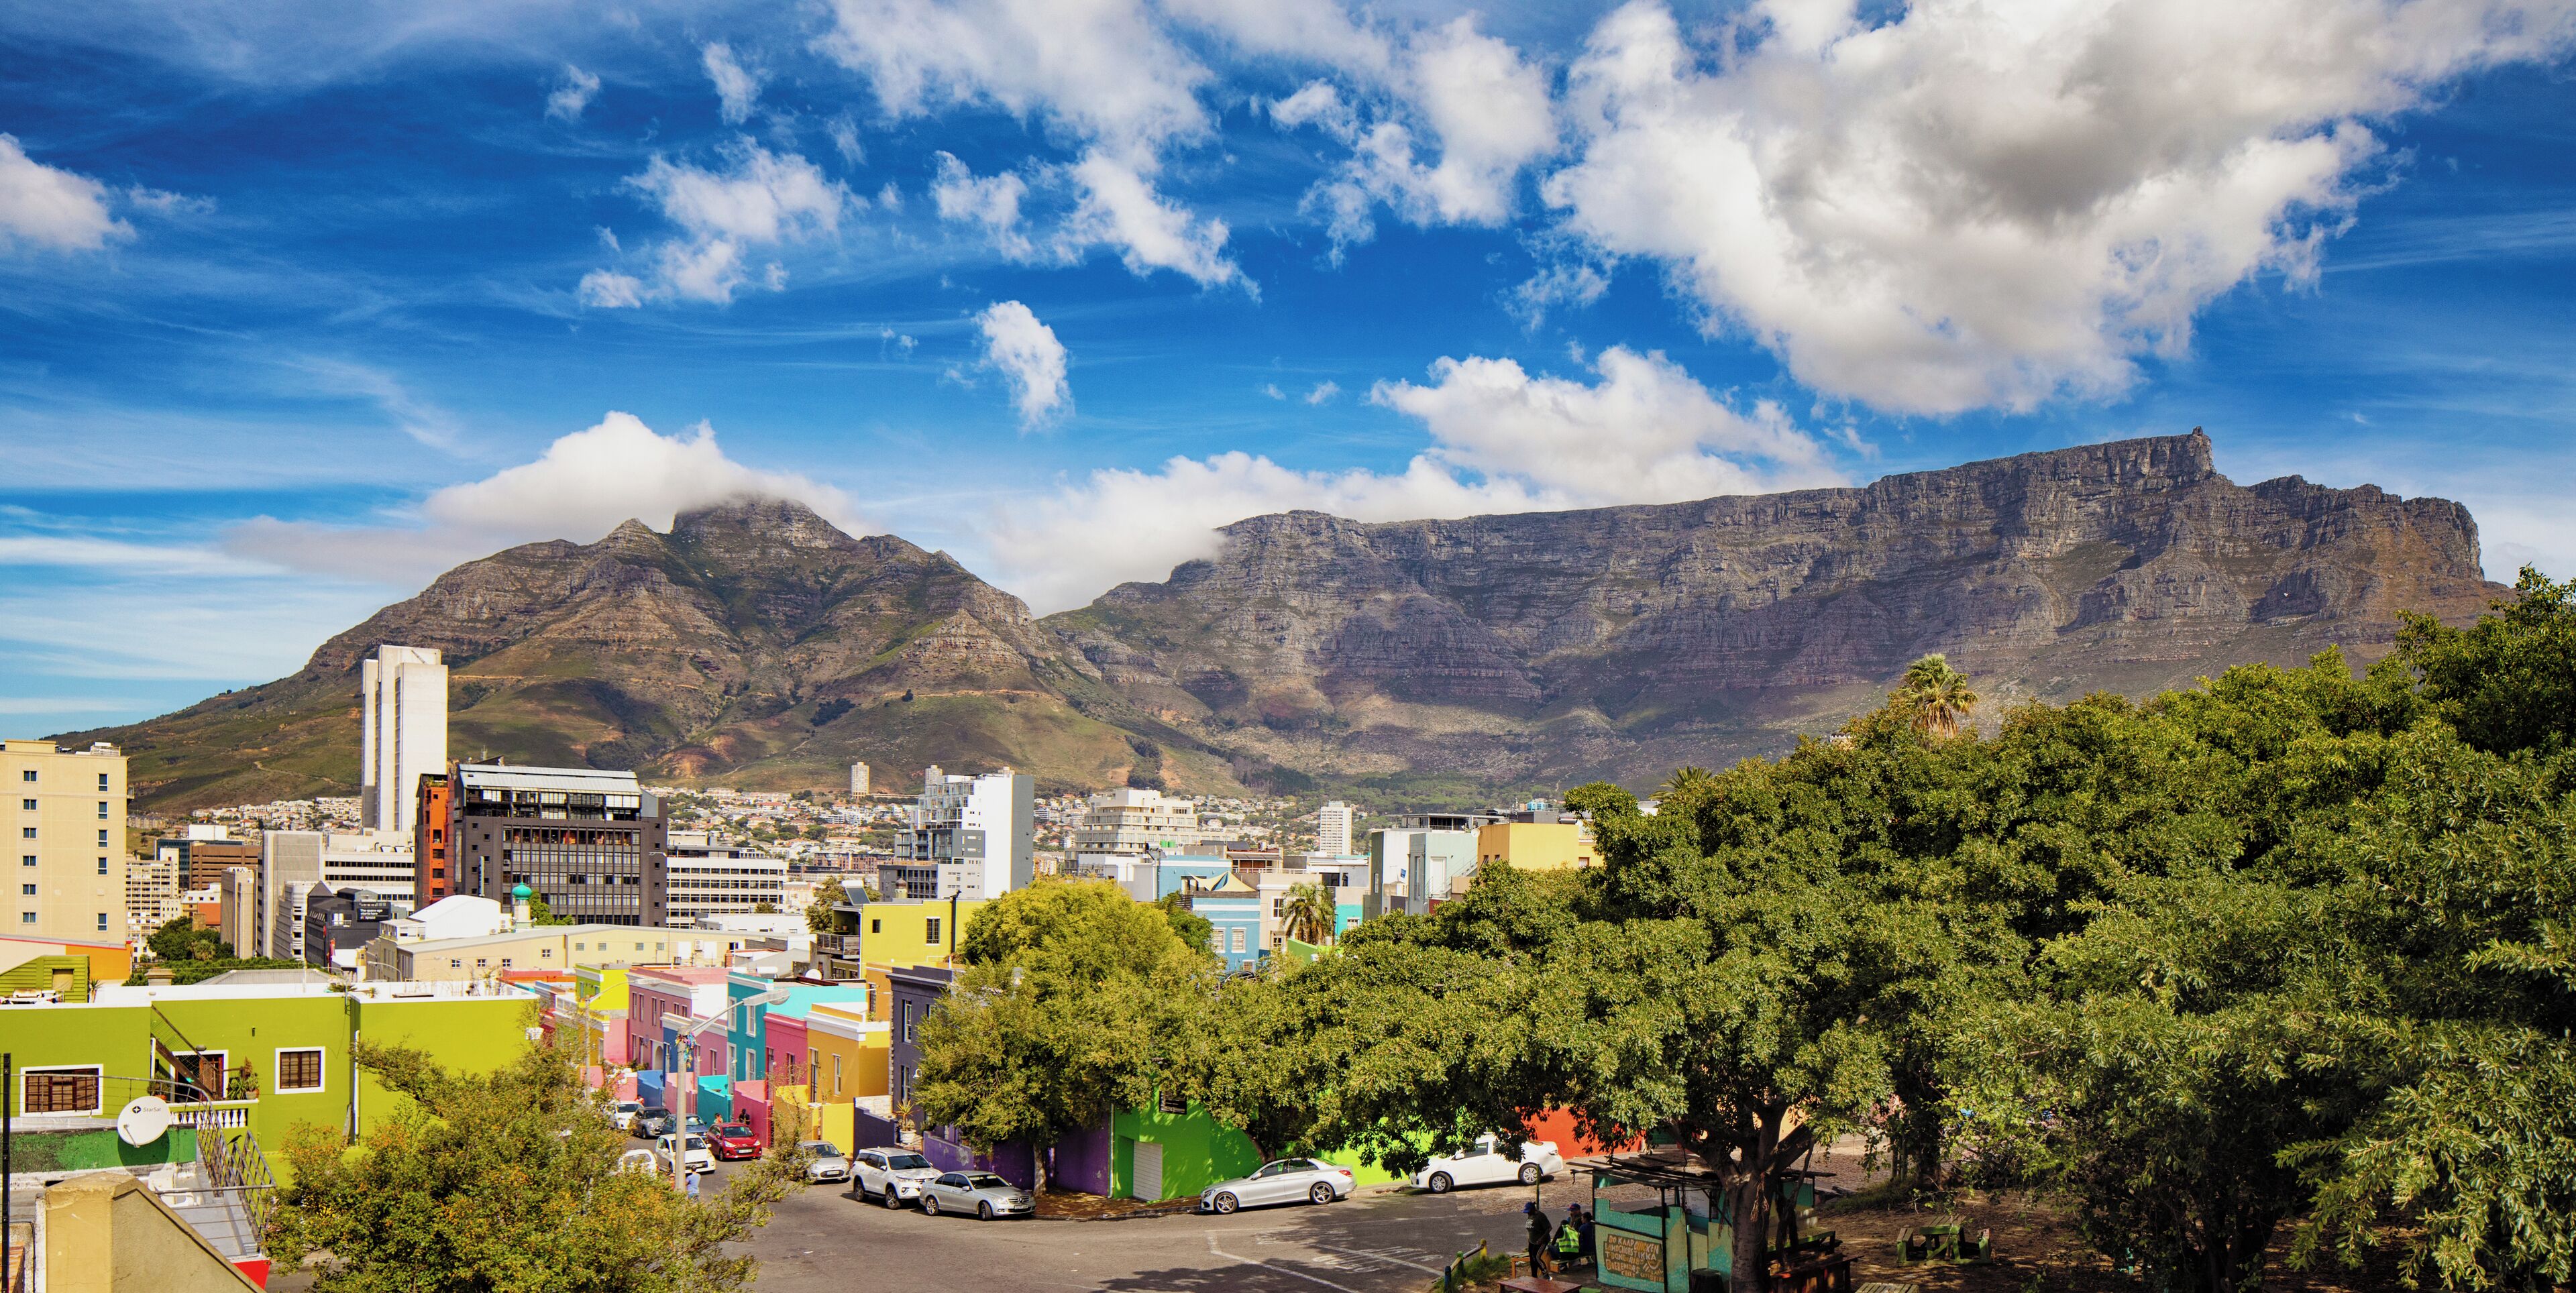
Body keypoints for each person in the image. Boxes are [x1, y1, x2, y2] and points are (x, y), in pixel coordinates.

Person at [1525, 1200, 1556, 1278]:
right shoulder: (1530, 1215)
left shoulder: (1541, 1216)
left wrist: (1541, 1239)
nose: (1527, 1213)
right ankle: (1534, 1276)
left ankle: (1545, 1273)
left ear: (1533, 1209)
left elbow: (1549, 1228)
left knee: (1537, 1257)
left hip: (1541, 1241)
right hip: (1532, 1241)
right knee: (1532, 1258)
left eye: (1529, 1211)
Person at [1554, 1205, 1584, 1269]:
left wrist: (1572, 1220)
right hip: (1574, 1248)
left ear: (1578, 1210)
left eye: (1573, 1211)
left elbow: (1572, 1231)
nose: (1572, 1212)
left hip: (1576, 1246)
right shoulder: (1569, 1219)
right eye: (1571, 1211)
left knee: (1554, 1248)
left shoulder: (1581, 1220)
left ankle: (1563, 1264)